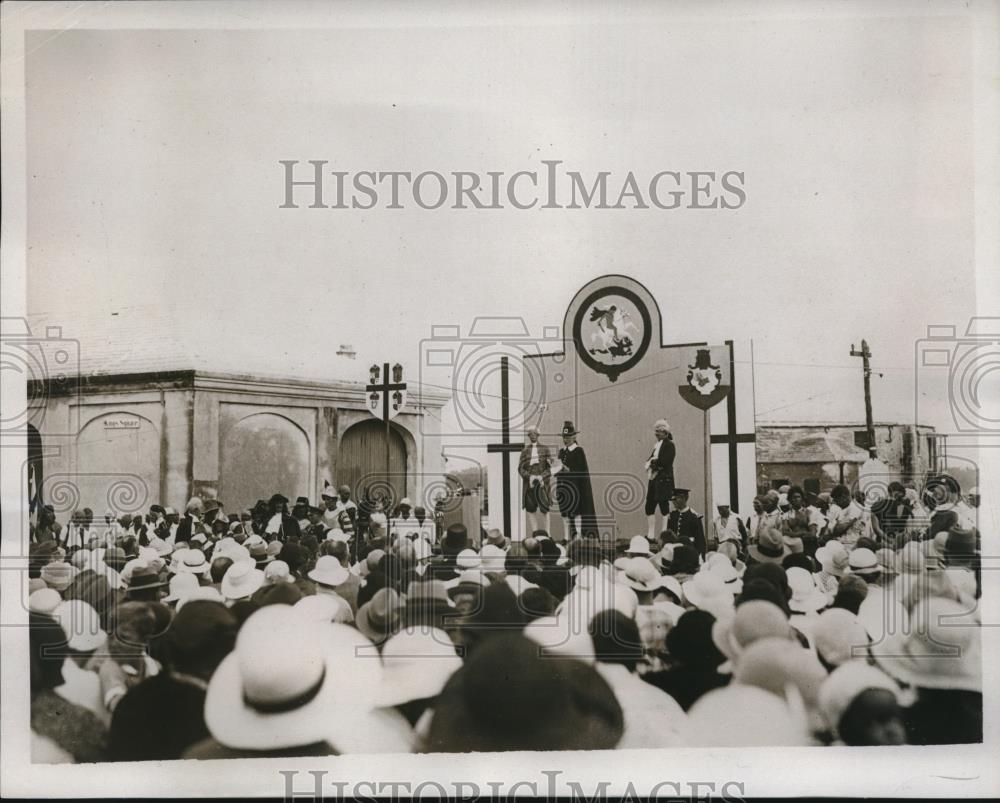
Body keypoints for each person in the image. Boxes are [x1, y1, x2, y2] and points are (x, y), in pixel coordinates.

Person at [552, 421, 596, 541]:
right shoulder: (562, 452)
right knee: (565, 512)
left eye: (568, 437)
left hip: (575, 487)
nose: (565, 439)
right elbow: (557, 470)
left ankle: (578, 535)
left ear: (574, 437)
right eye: (564, 437)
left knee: (576, 511)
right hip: (562, 486)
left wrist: (566, 469)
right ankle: (566, 537)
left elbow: (580, 472)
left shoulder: (578, 451)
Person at [644, 419, 676, 541]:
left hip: (663, 481)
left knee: (664, 506)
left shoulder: (669, 445)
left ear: (665, 432)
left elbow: (665, 461)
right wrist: (652, 462)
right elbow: (651, 460)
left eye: (659, 431)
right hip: (654, 480)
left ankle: (664, 534)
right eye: (656, 431)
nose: (656, 434)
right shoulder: (657, 445)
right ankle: (651, 535)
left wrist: (653, 462)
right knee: (649, 506)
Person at [518, 424, 553, 535]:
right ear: (528, 435)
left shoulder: (545, 449)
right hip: (529, 486)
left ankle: (547, 534)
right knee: (530, 509)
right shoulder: (524, 451)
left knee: (545, 509)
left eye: (535, 434)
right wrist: (529, 476)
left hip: (542, 485)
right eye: (530, 434)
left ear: (538, 435)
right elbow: (520, 468)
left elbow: (550, 468)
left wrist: (542, 476)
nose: (532, 436)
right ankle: (535, 534)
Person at [666, 488, 706, 557]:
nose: (673, 502)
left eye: (675, 499)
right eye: (672, 500)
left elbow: (700, 541)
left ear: (684, 498)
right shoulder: (672, 516)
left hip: (689, 553)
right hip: (674, 553)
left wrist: (700, 558)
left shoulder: (694, 517)